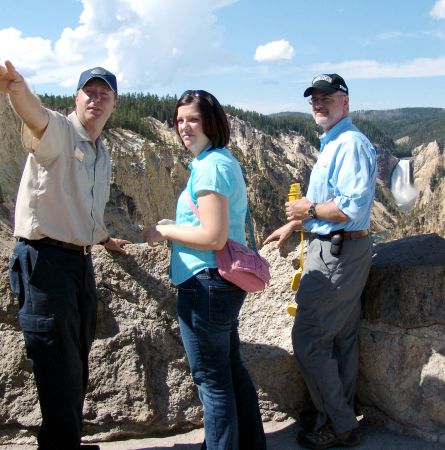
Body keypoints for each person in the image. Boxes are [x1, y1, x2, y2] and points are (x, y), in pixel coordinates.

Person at [0, 60, 130, 450]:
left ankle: (63, 441)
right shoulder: (58, 131)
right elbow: (34, 115)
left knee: (77, 362)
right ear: (76, 98)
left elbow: (85, 206)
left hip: (78, 261)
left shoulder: (101, 151)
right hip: (44, 262)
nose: (96, 98)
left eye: (104, 93)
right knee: (58, 366)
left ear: (114, 105)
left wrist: (104, 238)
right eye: (89, 91)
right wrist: (16, 88)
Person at [143, 90, 266, 450]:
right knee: (229, 367)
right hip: (220, 283)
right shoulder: (221, 160)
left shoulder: (211, 166)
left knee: (211, 381)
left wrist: (163, 231)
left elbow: (213, 236)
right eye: (179, 120)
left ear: (211, 122)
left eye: (192, 119)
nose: (184, 127)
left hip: (205, 283)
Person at [264, 74, 376, 449]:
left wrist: (307, 209)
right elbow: (328, 202)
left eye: (328, 97)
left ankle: (341, 423)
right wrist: (292, 224)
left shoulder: (350, 144)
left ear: (345, 101)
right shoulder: (333, 143)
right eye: (314, 98)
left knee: (308, 337)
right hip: (339, 246)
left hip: (337, 251)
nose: (319, 103)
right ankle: (336, 415)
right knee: (340, 340)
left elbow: (351, 207)